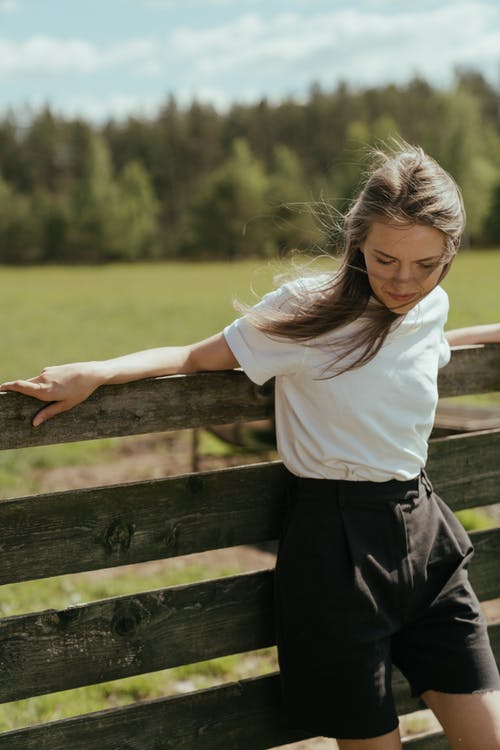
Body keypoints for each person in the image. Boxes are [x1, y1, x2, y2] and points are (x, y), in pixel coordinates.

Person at [2, 142, 500, 750]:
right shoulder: (306, 311)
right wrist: (99, 372)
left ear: (449, 253)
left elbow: (428, 344)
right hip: (335, 549)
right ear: (355, 243)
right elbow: (194, 356)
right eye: (384, 258)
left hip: (424, 532)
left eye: (426, 264)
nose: (403, 280)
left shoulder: (429, 306)